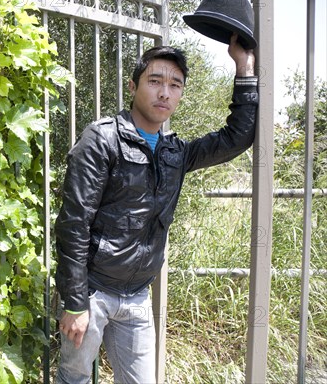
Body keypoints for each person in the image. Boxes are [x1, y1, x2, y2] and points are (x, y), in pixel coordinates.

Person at [54, 34, 257, 383]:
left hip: (136, 296)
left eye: (175, 85)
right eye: (155, 81)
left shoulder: (175, 152)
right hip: (93, 291)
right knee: (74, 378)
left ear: (180, 95)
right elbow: (74, 224)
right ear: (133, 86)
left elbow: (235, 137)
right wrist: (74, 303)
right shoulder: (102, 139)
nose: (165, 92)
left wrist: (244, 66)